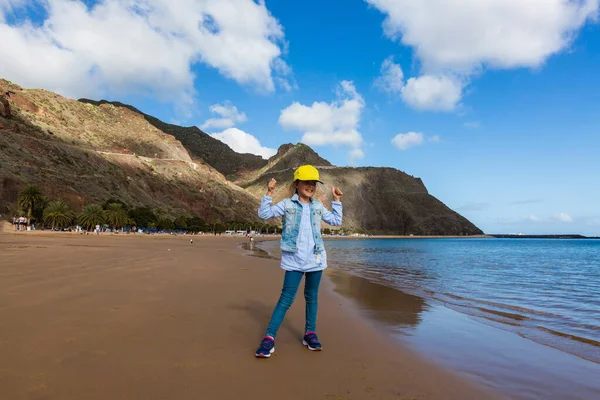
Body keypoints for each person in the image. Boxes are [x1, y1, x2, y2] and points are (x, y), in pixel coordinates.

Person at [254, 165, 343, 358]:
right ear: (297, 183)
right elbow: (264, 214)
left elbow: (336, 221)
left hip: (316, 259)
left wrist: (336, 200)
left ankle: (310, 334)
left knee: (312, 297)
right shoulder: (287, 205)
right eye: (306, 182)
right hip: (294, 259)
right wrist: (269, 192)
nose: (310, 186)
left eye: (313, 183)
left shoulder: (318, 206)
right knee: (286, 299)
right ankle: (269, 338)